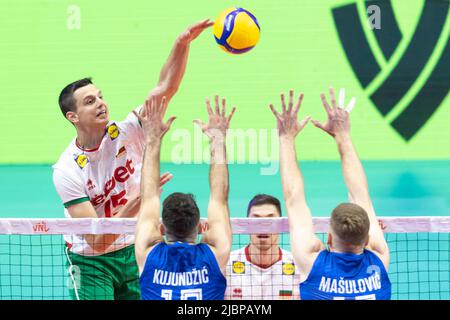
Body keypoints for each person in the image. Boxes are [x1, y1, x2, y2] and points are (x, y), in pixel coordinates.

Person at [52, 19, 213, 300]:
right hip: (90, 261)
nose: (101, 103)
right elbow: (97, 240)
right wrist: (139, 200)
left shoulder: (128, 131)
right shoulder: (66, 170)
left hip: (136, 247)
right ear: (73, 117)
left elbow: (164, 89)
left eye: (100, 96)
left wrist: (182, 44)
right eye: (89, 101)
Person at [270, 88, 391, 300]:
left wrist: (286, 138)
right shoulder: (379, 261)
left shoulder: (312, 263)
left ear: (328, 237)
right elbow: (361, 195)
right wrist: (343, 136)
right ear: (367, 240)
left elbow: (294, 199)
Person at [134, 95, 235, 300]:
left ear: (162, 229)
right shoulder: (214, 256)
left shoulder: (148, 254)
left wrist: (152, 139)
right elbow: (219, 197)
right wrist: (218, 139)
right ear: (200, 227)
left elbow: (149, 197)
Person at [225, 194, 300, 300]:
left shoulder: (298, 268)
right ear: (247, 224)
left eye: (270, 220)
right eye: (256, 220)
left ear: (281, 224)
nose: (263, 226)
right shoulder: (226, 266)